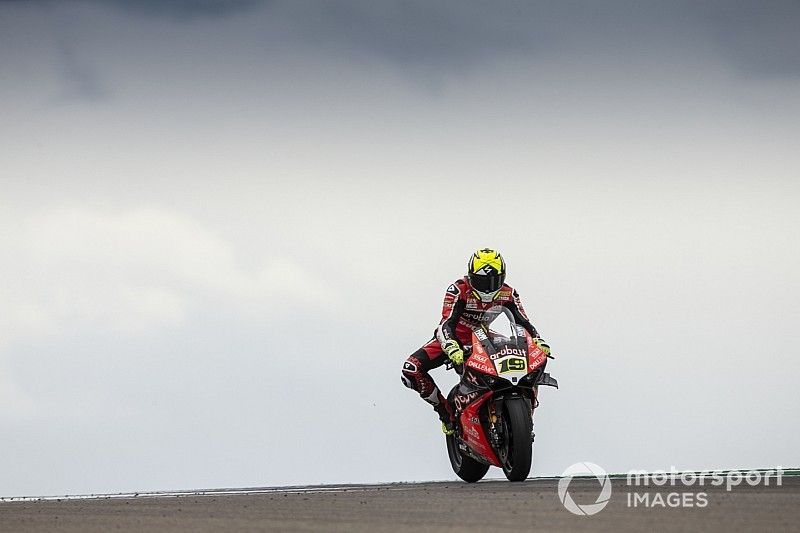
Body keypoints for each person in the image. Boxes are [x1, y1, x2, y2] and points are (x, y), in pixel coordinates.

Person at [400, 248, 550, 435]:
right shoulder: (458, 290)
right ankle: (444, 412)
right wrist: (451, 345)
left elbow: (523, 321)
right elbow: (446, 323)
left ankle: (526, 418)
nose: (487, 288)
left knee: (531, 359)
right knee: (411, 369)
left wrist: (537, 340)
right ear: (471, 276)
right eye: (482, 281)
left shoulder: (509, 293)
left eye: (493, 281)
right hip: (453, 338)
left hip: (485, 338)